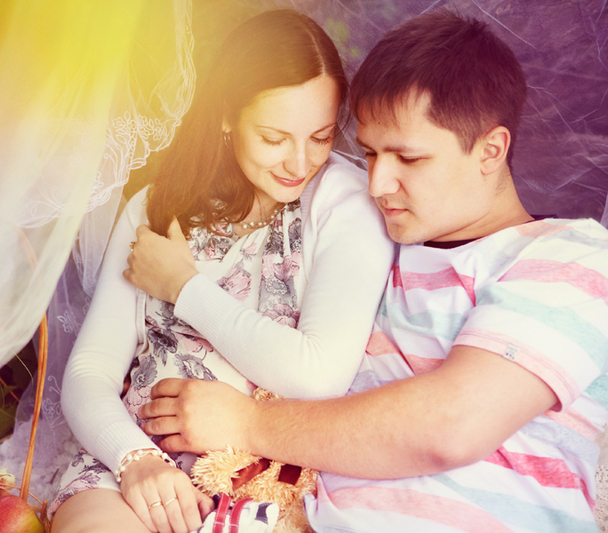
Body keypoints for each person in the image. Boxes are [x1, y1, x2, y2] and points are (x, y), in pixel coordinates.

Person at [133, 9, 608, 532]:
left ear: (490, 150)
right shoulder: (374, 247)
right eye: (369, 153)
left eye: (409, 158)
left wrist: (247, 423)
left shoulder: (572, 257)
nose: (378, 183)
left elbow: (451, 426)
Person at [51, 9, 394, 533]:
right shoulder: (156, 208)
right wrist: (134, 460)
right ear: (227, 116)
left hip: (268, 476)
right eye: (274, 138)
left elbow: (316, 376)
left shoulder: (343, 203)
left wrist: (183, 287)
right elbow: (90, 371)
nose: (300, 163)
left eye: (321, 137)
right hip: (135, 466)